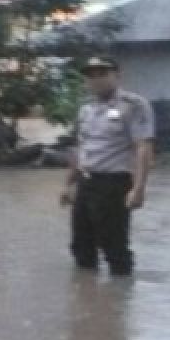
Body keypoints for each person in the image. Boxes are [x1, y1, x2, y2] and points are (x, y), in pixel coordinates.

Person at [60, 57, 155, 276]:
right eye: (91, 75)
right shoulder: (86, 108)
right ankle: (89, 302)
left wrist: (138, 189)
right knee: (81, 247)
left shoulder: (134, 105)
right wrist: (68, 184)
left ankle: (119, 300)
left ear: (117, 75)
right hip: (86, 182)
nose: (96, 79)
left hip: (114, 184)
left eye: (103, 73)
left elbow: (143, 148)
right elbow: (81, 147)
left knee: (114, 248)